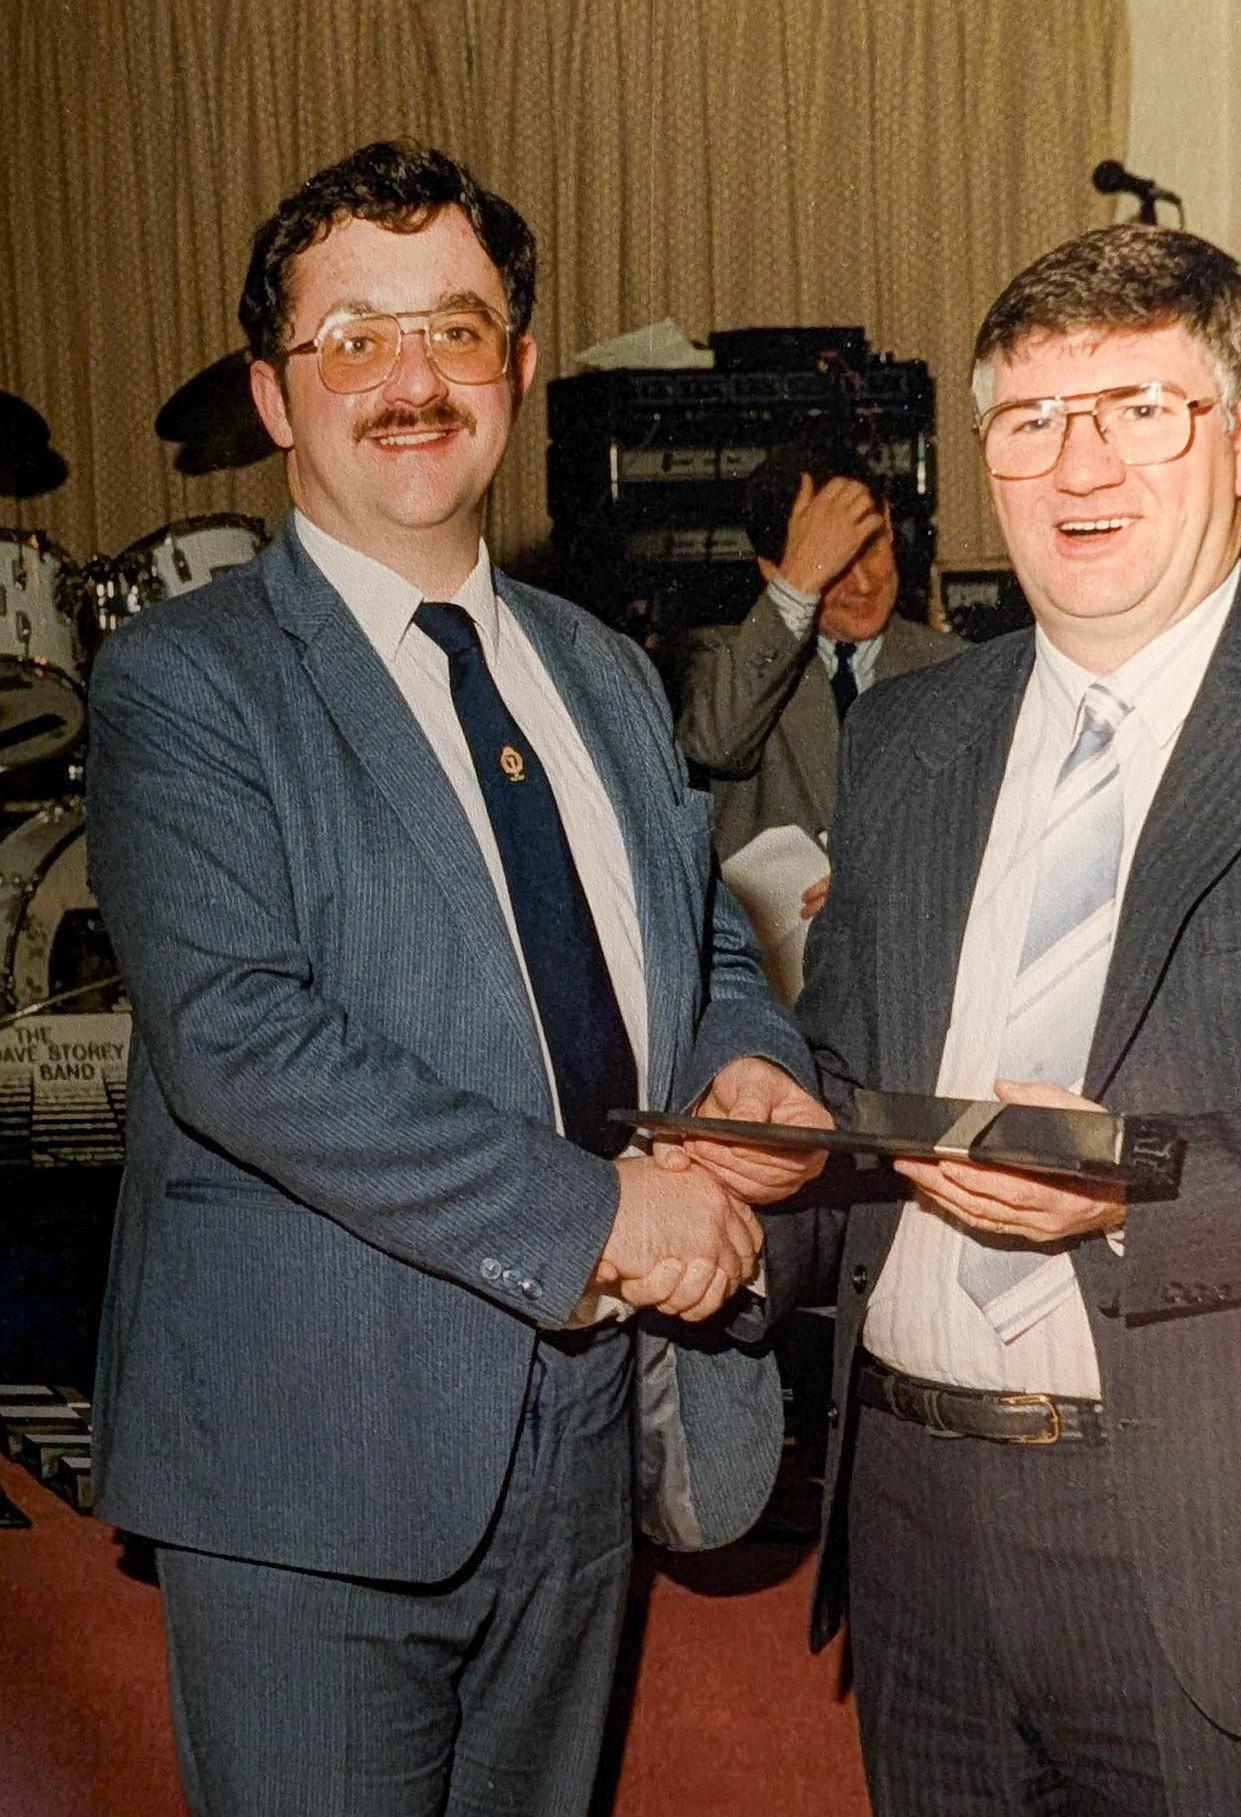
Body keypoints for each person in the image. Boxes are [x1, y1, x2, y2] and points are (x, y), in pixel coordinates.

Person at [85, 139, 827, 1817]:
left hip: (585, 1435)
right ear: (274, 395)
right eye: (353, 339)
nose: (410, 381)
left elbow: (701, 935)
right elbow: (241, 1040)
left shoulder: (606, 670)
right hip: (311, 1464)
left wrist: (748, 1064)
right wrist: (602, 1214)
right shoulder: (187, 685)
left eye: (455, 330)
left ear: (520, 366)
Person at [774, 224, 1241, 1813]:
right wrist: (744, 1162)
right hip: (916, 1539)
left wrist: (1136, 1183)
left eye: (1138, 409)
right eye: (1032, 420)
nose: (1078, 465)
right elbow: (846, 1089)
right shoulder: (906, 734)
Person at [676, 436, 962, 915]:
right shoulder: (721, 661)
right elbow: (717, 744)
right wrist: (800, 581)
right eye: (832, 566)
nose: (864, 584)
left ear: (889, 522)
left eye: (870, 548)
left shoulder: (959, 668)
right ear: (774, 571)